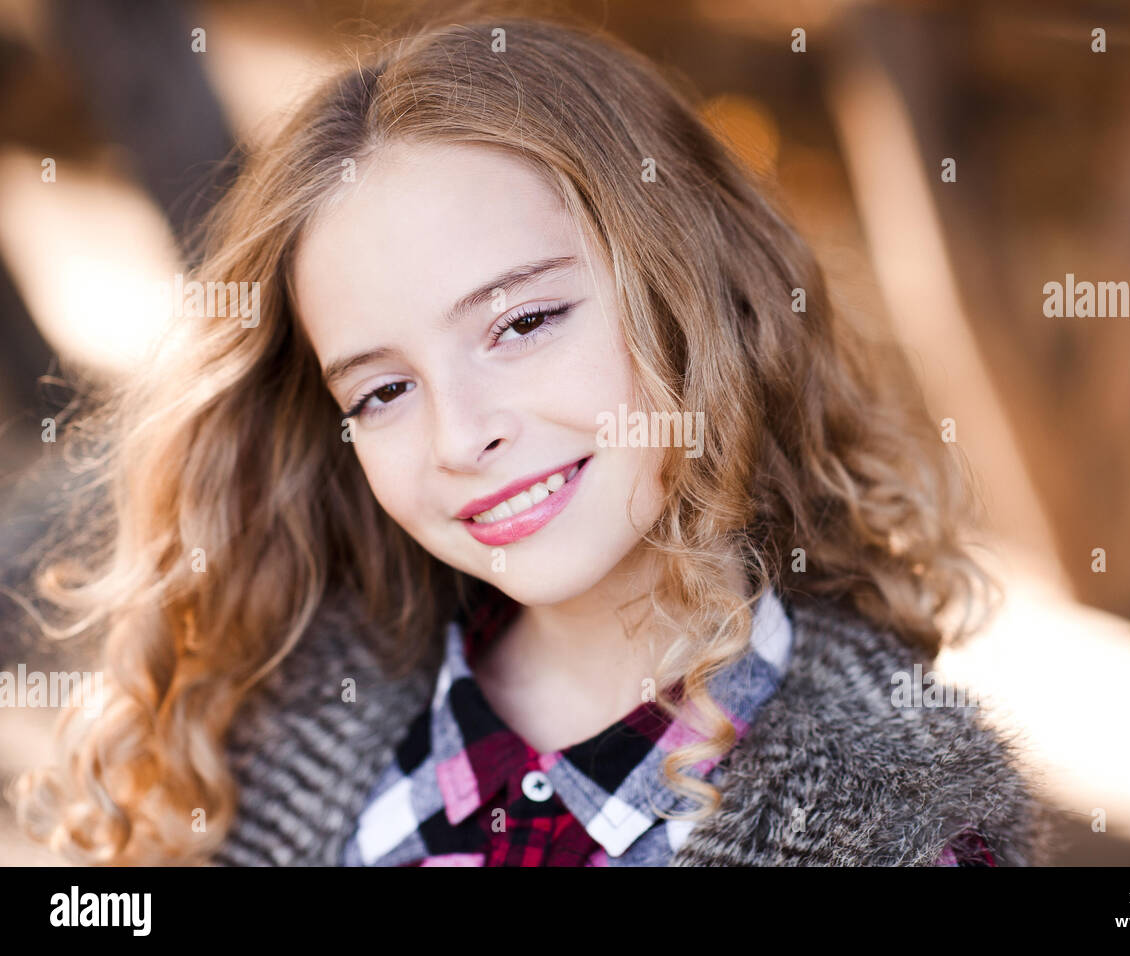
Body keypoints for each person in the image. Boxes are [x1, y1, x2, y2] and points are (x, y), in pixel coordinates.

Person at [12, 11, 1050, 866]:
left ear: (694, 292)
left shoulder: (899, 825)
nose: (462, 436)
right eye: (382, 391)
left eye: (522, 323)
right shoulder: (272, 735)